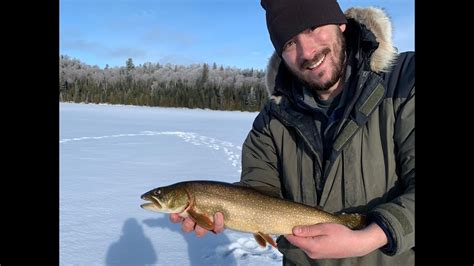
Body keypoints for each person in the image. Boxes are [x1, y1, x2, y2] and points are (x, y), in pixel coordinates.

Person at [171, 0, 415, 264]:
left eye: (312, 27)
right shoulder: (270, 122)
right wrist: (221, 210)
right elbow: (258, 193)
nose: (307, 52)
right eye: (289, 43)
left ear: (340, 23)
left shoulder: (406, 80)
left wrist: (370, 237)